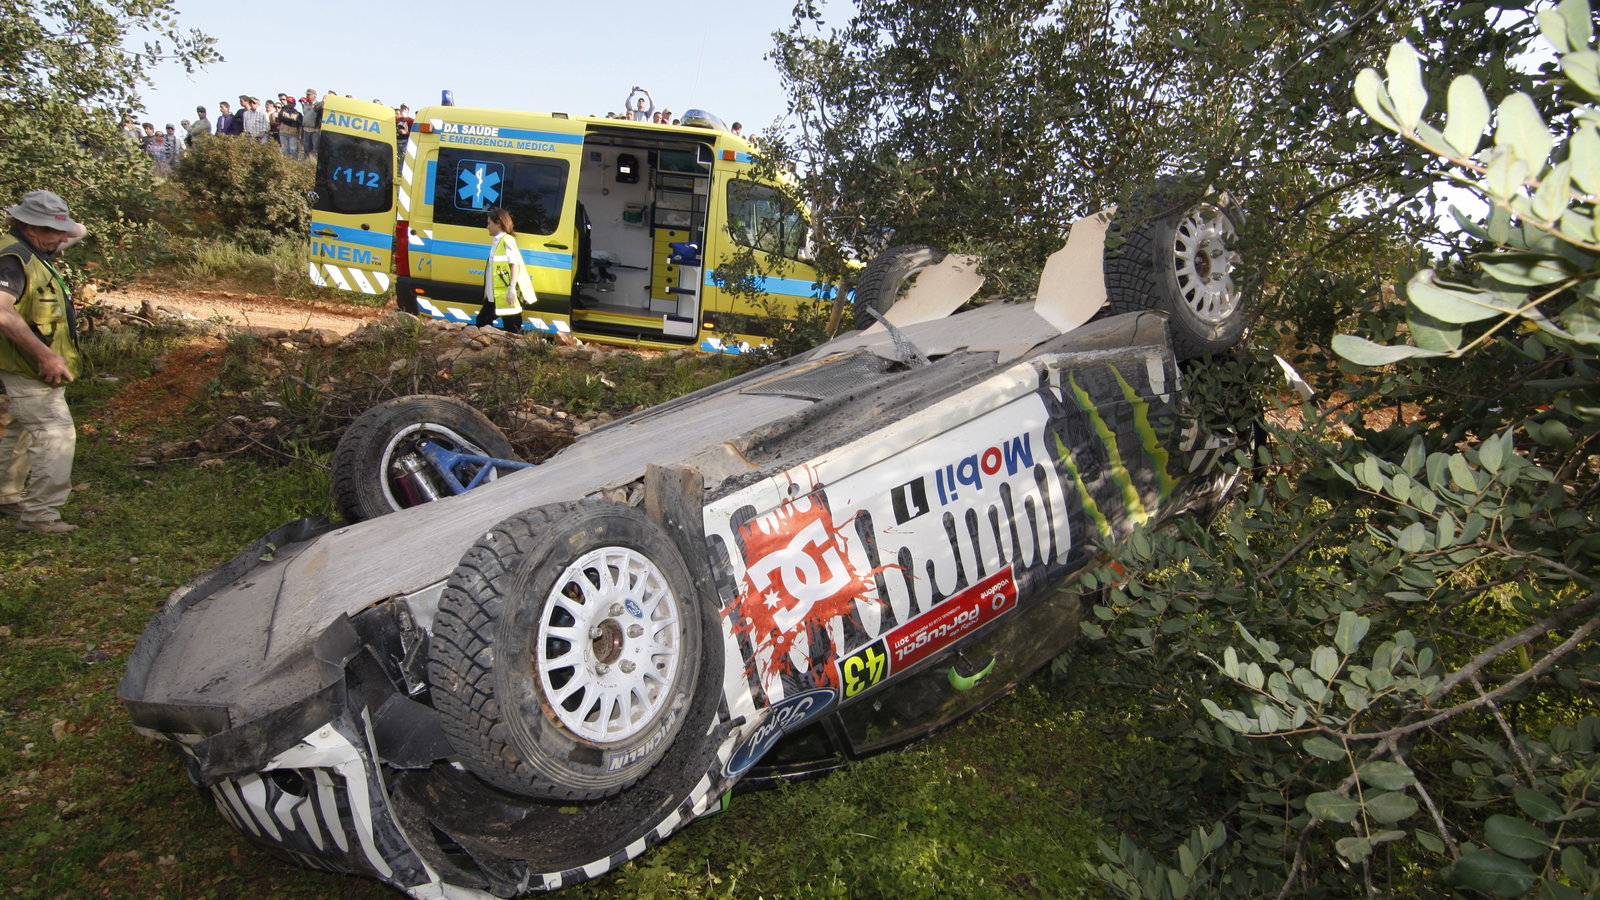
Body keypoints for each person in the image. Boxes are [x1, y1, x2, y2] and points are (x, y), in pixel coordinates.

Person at [0, 191, 84, 533]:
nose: (63, 238)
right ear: (29, 226)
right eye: (53, 230)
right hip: (28, 365)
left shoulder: (35, 247)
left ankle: (5, 496)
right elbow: (2, 313)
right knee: (55, 434)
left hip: (20, 365)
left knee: (20, 431)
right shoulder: (13, 260)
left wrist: (57, 221)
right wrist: (46, 356)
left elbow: (79, 231)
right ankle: (41, 516)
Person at [477, 207, 534, 334]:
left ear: (498, 223)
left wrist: (511, 288)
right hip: (497, 295)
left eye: (489, 223)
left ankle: (511, 351)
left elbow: (515, 264)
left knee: (512, 328)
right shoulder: (498, 241)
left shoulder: (506, 241)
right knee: (483, 321)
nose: (487, 227)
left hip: (505, 295)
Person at [301, 89, 321, 158]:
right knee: (306, 149)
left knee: (315, 150)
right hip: (306, 129)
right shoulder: (305, 104)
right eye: (306, 94)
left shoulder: (318, 105)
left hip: (314, 131)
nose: (307, 96)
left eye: (309, 94)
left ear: (314, 96)